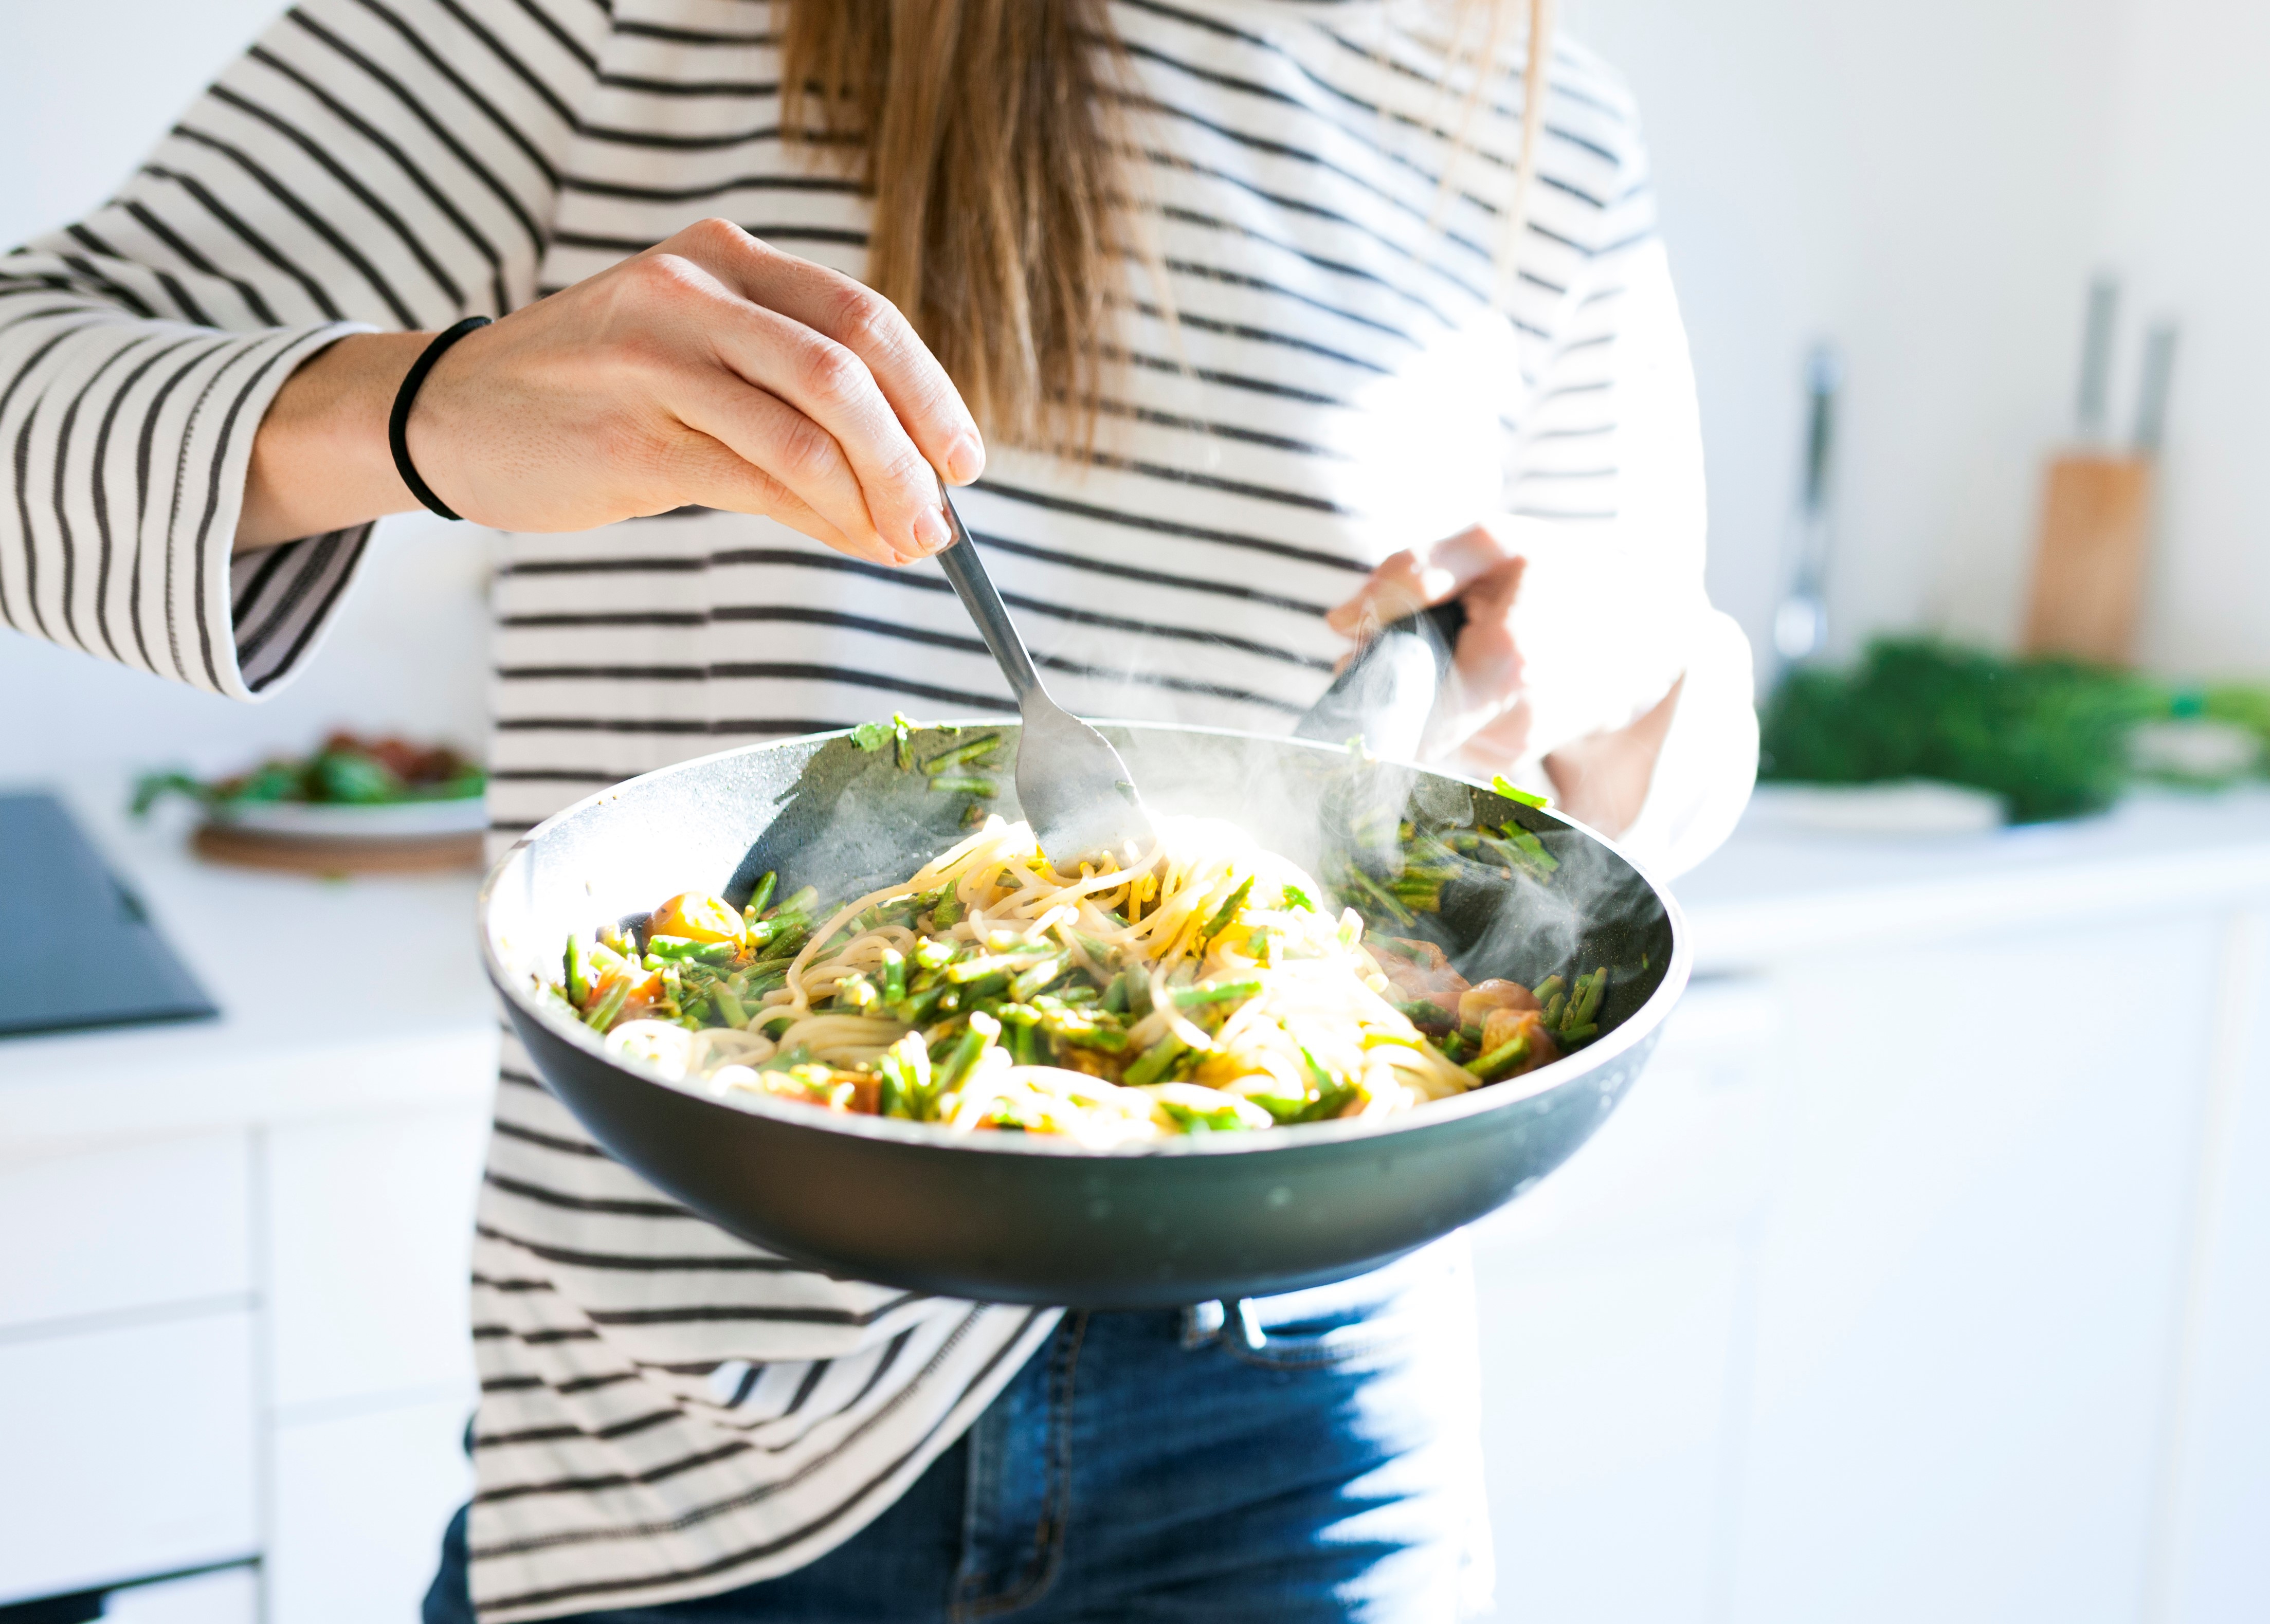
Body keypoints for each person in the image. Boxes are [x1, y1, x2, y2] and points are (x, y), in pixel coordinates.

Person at [0, 0, 1754, 1617]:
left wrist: (1639, 660)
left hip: (1298, 1432)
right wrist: (423, 407)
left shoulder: (1534, 116)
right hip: (683, 1437)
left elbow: (1641, 787)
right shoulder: (610, 20)